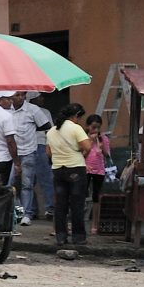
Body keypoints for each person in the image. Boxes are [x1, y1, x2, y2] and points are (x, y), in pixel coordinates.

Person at [45, 103, 92, 247]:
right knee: (77, 204)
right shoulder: (76, 128)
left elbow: (49, 152)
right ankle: (78, 237)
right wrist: (81, 154)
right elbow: (88, 146)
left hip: (58, 169)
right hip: (76, 168)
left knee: (60, 205)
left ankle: (61, 236)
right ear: (75, 116)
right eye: (79, 117)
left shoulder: (51, 131)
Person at [11, 93, 54, 225]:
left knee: (28, 183)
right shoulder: (7, 110)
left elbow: (48, 126)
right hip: (11, 153)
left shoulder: (34, 110)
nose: (21, 97)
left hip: (30, 150)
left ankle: (28, 213)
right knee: (11, 184)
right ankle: (19, 211)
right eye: (18, 94)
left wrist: (31, 128)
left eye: (23, 94)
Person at [82, 112, 111, 231]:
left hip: (99, 170)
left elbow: (107, 155)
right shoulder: (83, 138)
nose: (96, 130)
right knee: (81, 195)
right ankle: (80, 223)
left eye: (98, 127)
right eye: (93, 127)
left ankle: (95, 224)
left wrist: (102, 147)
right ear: (88, 126)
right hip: (86, 169)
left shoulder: (103, 138)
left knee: (96, 197)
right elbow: (81, 154)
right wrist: (90, 141)